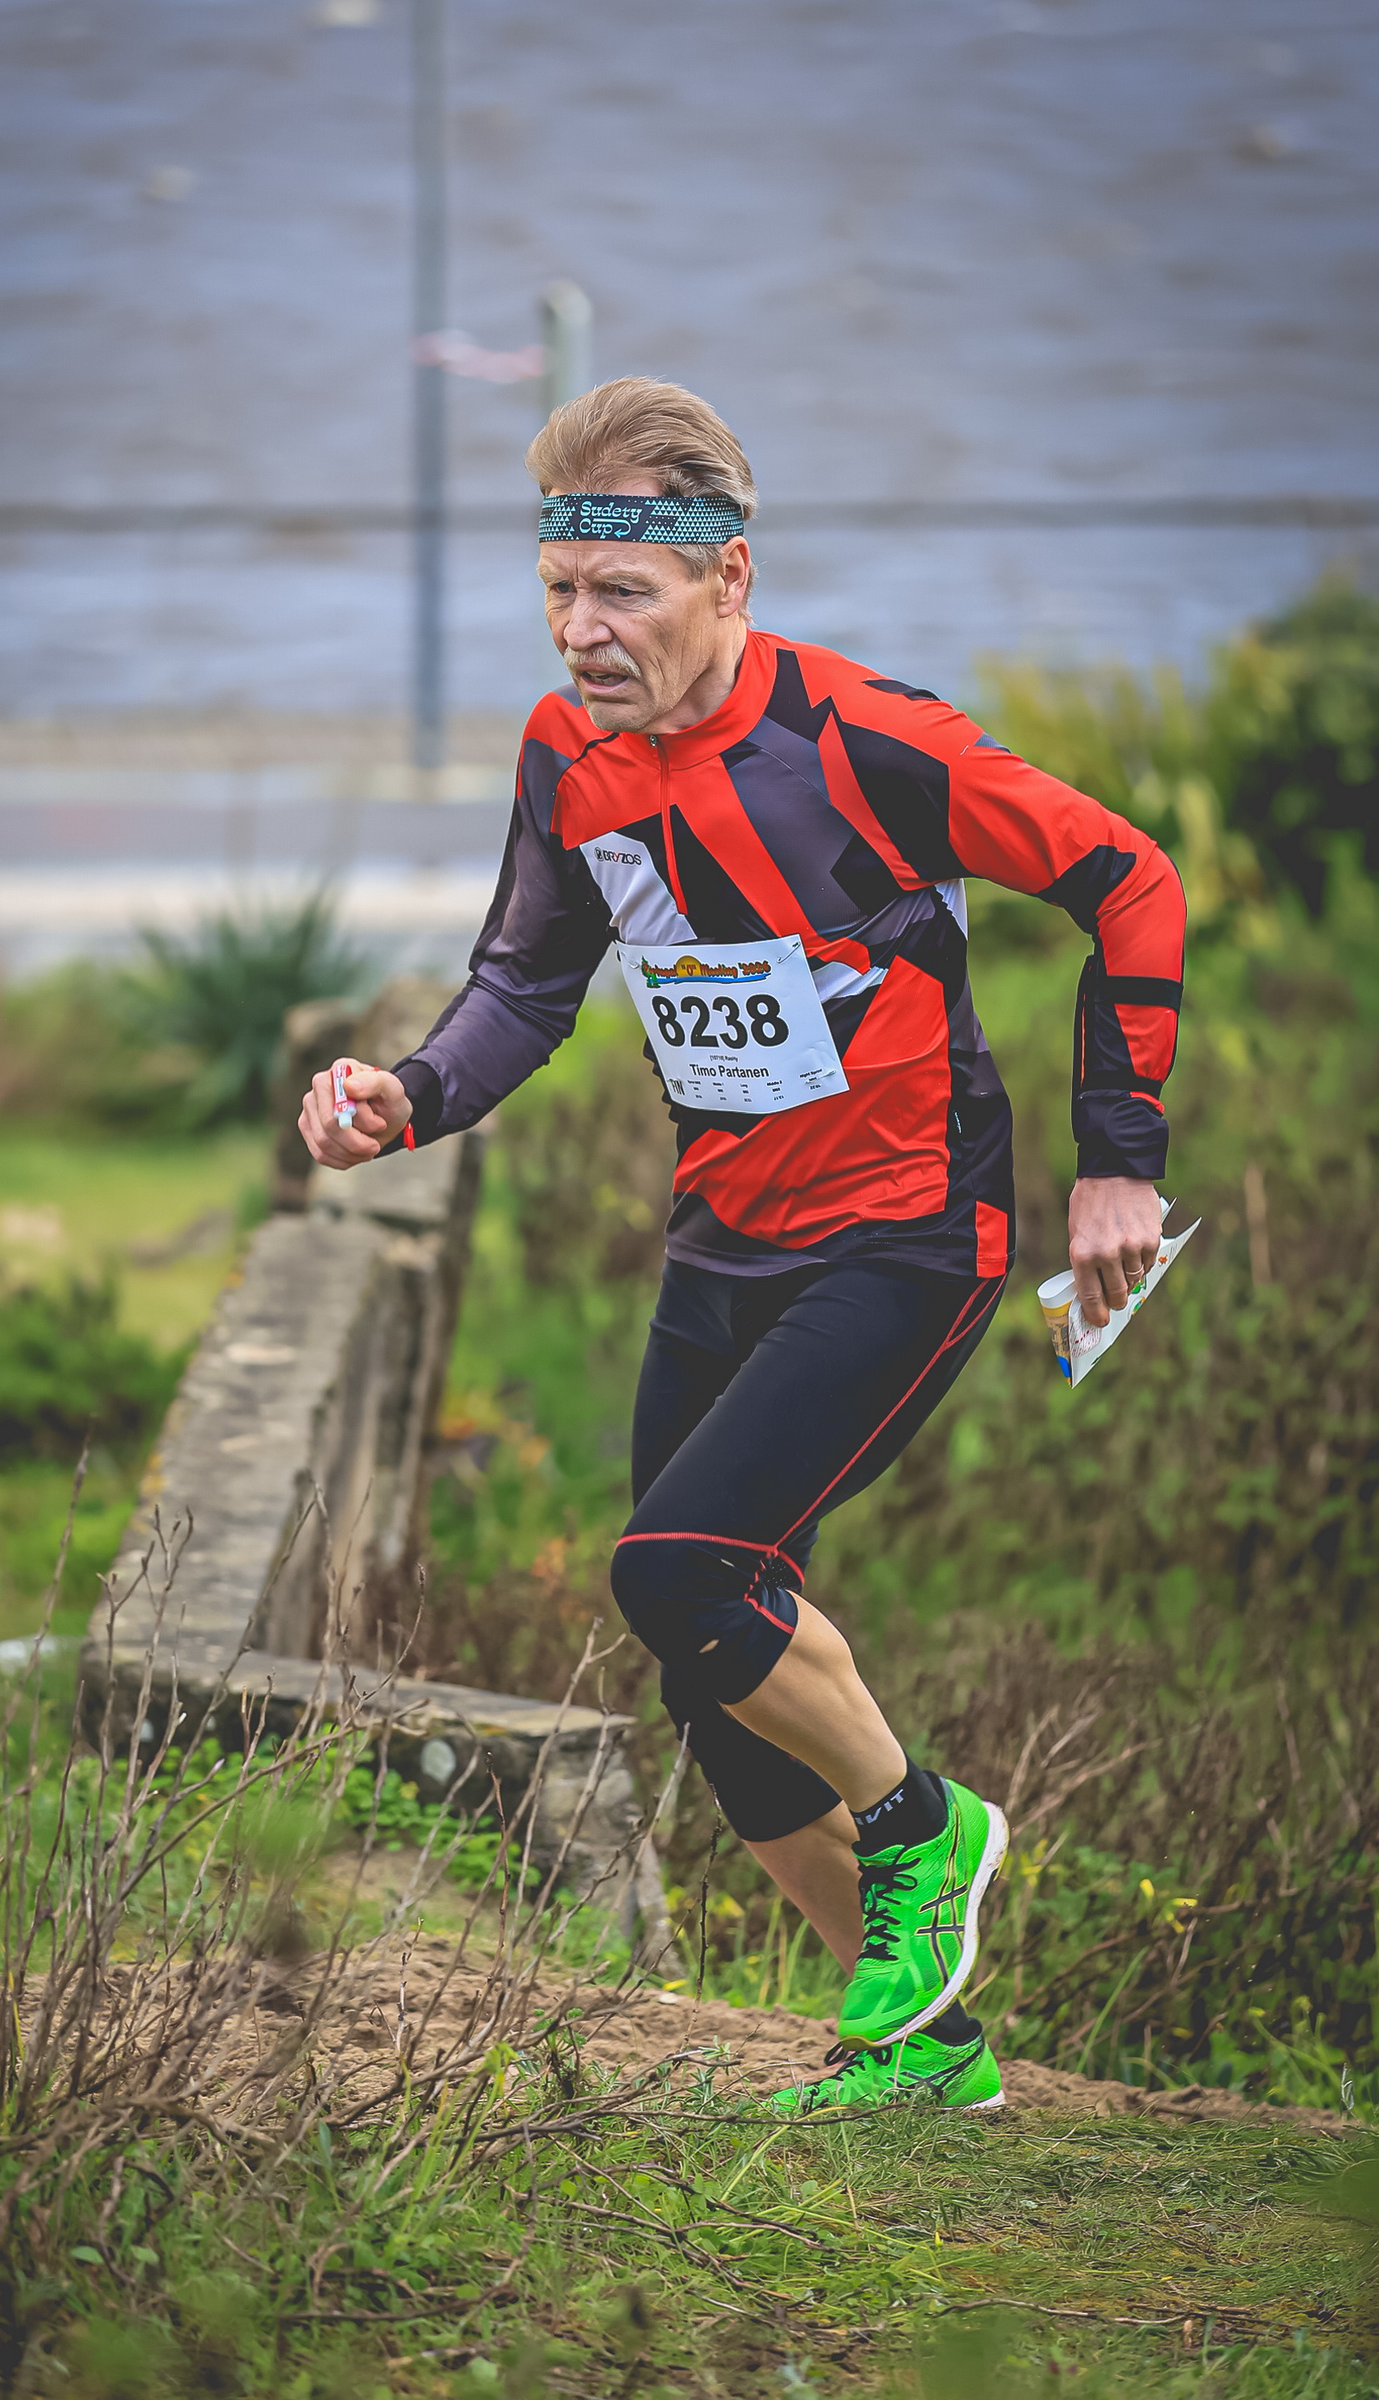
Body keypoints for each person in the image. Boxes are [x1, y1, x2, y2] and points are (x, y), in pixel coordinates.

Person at [300, 379, 1185, 2112]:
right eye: (559, 590)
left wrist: (1119, 1164)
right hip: (724, 1242)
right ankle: (922, 2047)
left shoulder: (864, 742)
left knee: (679, 1571)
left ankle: (927, 1828)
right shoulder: (566, 755)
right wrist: (406, 1099)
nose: (582, 630)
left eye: (623, 593)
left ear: (731, 580)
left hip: (909, 1231)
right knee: (710, 1671)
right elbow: (526, 982)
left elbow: (1129, 878)